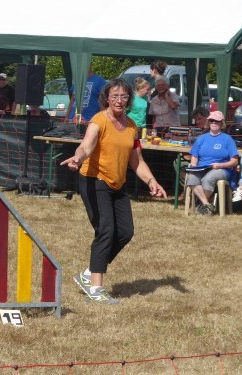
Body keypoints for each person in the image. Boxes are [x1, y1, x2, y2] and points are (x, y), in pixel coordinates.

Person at [60, 78, 167, 304]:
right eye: (115, 96)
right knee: (106, 230)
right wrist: (78, 158)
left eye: (124, 96)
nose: (119, 100)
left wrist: (152, 181)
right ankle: (96, 287)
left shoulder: (131, 126)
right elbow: (86, 146)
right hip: (94, 180)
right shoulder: (99, 121)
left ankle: (88, 273)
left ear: (129, 99)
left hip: (117, 183)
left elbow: (137, 161)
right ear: (107, 98)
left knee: (125, 232)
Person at [186, 111, 239, 215]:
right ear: (208, 122)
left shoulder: (227, 139)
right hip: (202, 167)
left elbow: (235, 161)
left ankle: (201, 205)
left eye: (217, 121)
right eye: (211, 121)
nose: (214, 123)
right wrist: (193, 165)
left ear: (221, 123)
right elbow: (194, 156)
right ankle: (206, 204)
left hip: (221, 169)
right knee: (191, 177)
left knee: (209, 178)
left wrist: (220, 165)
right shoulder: (202, 138)